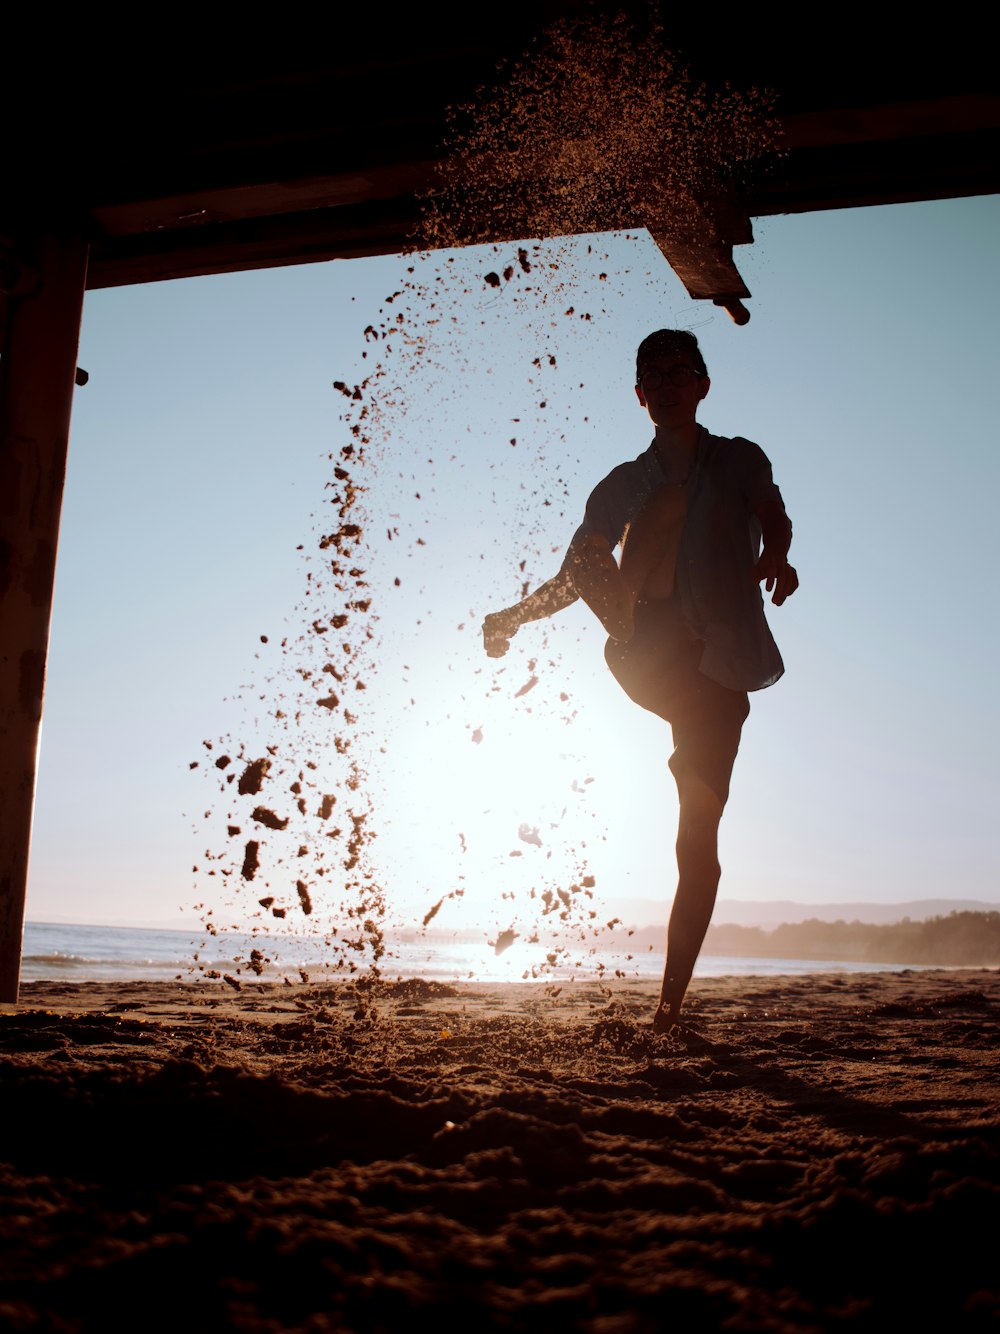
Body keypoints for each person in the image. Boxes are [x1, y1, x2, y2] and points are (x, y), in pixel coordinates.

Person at [482, 329, 798, 1029]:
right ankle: (632, 614)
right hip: (644, 648)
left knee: (698, 848)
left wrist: (777, 555)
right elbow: (578, 574)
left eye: (679, 372)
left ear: (702, 384)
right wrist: (512, 617)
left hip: (714, 684)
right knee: (654, 510)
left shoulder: (740, 459)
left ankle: (668, 1008)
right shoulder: (624, 483)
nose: (665, 384)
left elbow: (773, 515)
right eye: (651, 375)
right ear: (638, 393)